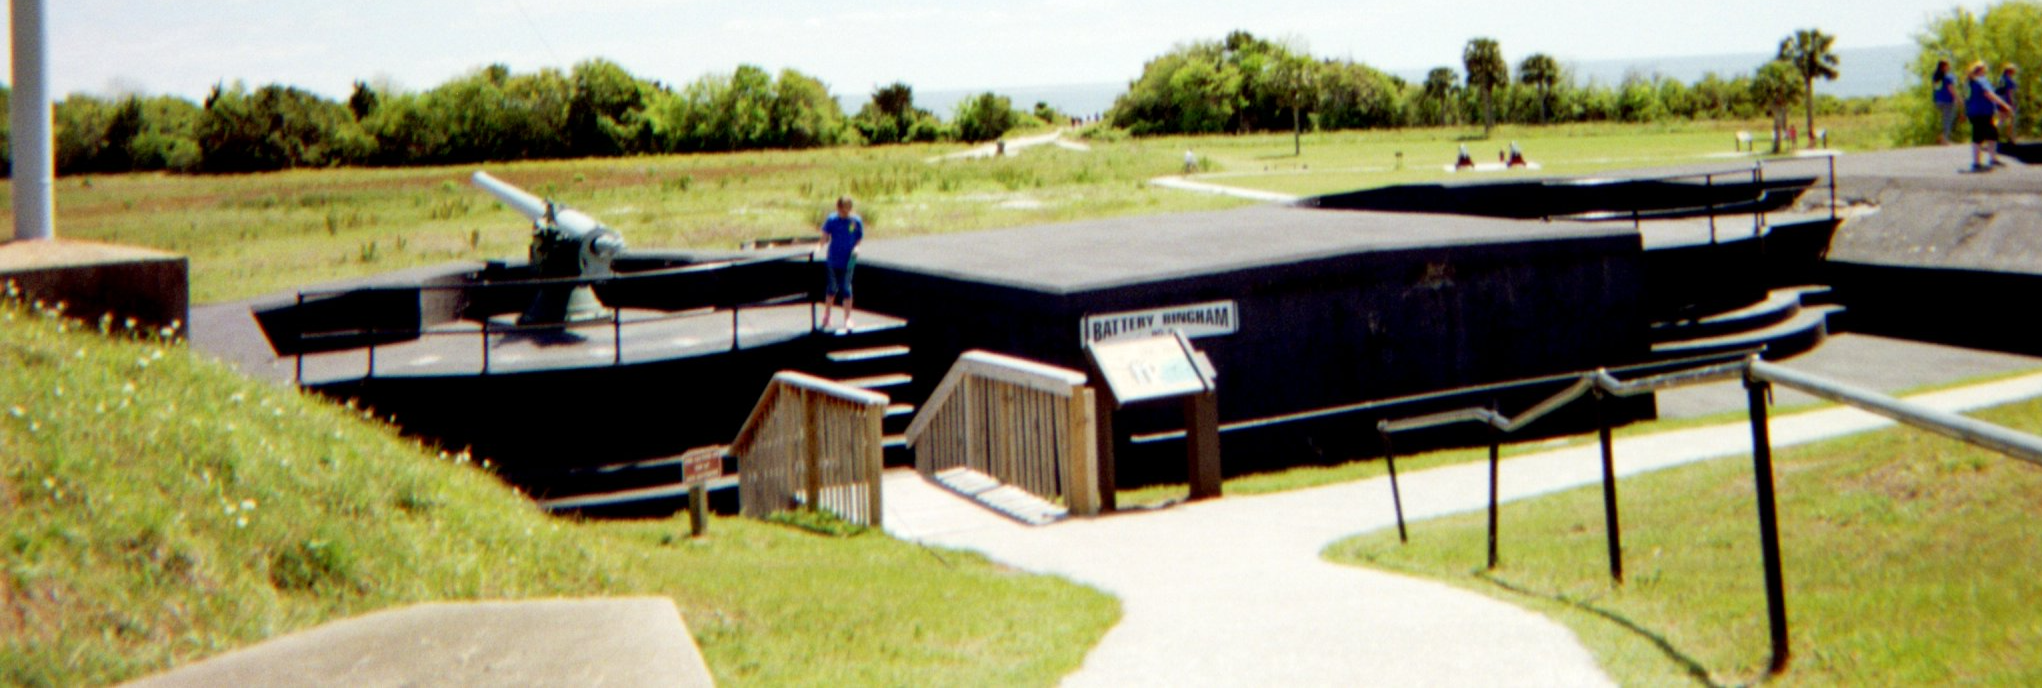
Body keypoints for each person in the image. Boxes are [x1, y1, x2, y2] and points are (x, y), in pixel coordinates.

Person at [816, 196, 864, 334]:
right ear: (837, 208)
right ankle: (826, 315)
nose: (844, 213)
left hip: (849, 260)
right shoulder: (832, 220)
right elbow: (824, 236)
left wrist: (857, 248)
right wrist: (819, 246)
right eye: (842, 210)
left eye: (847, 210)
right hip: (833, 259)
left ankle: (847, 318)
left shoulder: (855, 221)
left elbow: (858, 237)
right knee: (832, 288)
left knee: (846, 288)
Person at [1964, 61, 2015, 171]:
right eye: (1984, 69)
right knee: (1979, 136)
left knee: (1992, 134)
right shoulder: (1980, 81)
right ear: (1980, 70)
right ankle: (1976, 163)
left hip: (1977, 112)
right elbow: (1989, 94)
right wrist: (2004, 105)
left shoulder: (1970, 82)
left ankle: (1993, 159)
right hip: (1981, 112)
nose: (1985, 71)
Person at [1933, 60, 1961, 145]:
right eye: (1947, 65)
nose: (1949, 67)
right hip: (1948, 101)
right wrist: (1959, 99)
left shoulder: (1936, 77)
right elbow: (1951, 89)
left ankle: (1944, 137)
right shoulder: (1948, 77)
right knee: (1948, 120)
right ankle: (1945, 139)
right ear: (1944, 67)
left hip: (1939, 100)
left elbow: (1936, 88)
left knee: (1945, 119)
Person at [2000, 63, 2020, 144]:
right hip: (2007, 102)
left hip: (2000, 102)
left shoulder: (2001, 79)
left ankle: (2010, 137)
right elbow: (2010, 93)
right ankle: (2011, 138)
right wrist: (2012, 104)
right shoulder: (2009, 81)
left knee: (2002, 120)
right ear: (2010, 71)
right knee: (2012, 119)